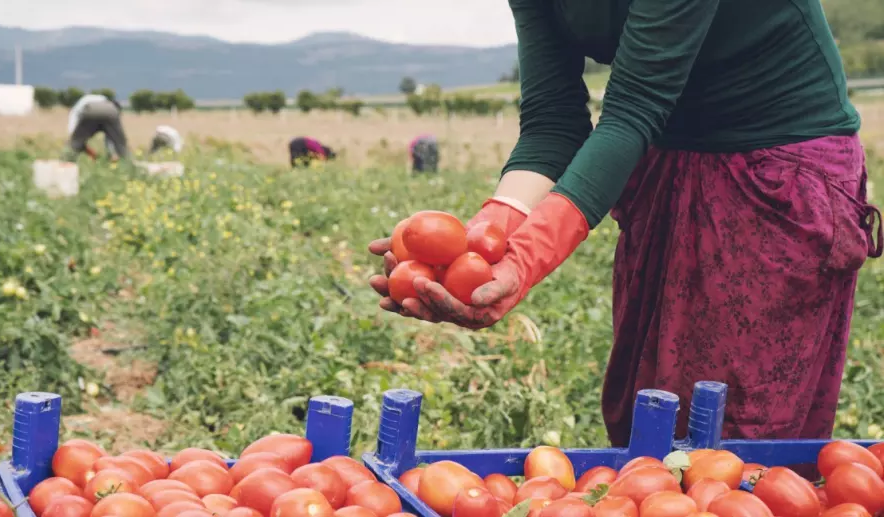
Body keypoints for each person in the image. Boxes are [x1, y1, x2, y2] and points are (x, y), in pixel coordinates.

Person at [369, 0, 883, 446]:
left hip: (774, 174)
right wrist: (481, 243)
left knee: (735, 434)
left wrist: (524, 262)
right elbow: (553, 118)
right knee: (650, 413)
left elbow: (633, 106)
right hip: (669, 159)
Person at [62, 93, 129, 162]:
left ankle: (66, 162)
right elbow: (110, 137)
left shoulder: (83, 102)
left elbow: (74, 117)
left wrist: (74, 138)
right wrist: (113, 153)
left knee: (75, 144)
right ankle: (127, 163)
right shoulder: (106, 102)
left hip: (91, 110)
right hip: (110, 111)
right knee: (121, 145)